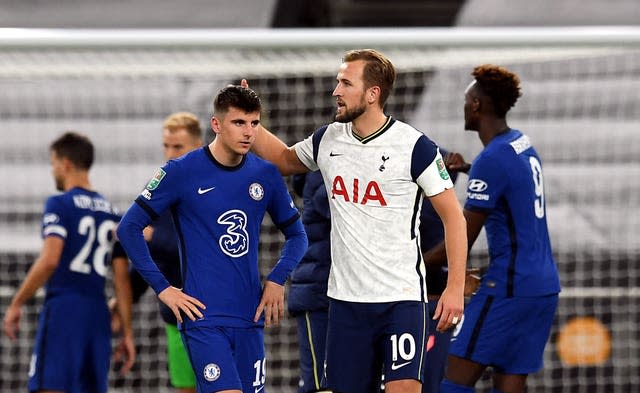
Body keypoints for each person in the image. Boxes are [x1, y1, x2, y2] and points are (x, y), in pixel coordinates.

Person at [249, 48, 468, 393]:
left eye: (345, 83)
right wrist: (253, 122)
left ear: (372, 93)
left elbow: (454, 217)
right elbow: (284, 159)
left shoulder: (414, 146)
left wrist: (454, 288)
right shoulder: (327, 139)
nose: (336, 91)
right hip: (345, 304)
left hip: (401, 299)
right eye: (338, 82)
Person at [116, 85, 308, 393]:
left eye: (254, 123)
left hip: (249, 318)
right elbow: (128, 228)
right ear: (216, 124)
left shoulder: (266, 175)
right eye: (239, 123)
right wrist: (164, 289)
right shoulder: (180, 171)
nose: (248, 132)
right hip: (203, 319)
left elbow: (298, 235)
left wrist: (276, 279)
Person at [424, 64, 561, 393]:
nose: (464, 105)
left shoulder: (493, 159)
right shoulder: (521, 144)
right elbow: (509, 182)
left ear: (476, 106)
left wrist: (413, 263)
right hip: (543, 288)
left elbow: (461, 238)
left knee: (454, 378)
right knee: (510, 380)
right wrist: (470, 169)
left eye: (467, 99)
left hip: (508, 288)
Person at [2, 131, 135, 393]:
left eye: (53, 164)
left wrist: (16, 303)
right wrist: (128, 333)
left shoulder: (60, 204)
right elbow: (122, 279)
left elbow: (50, 259)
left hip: (65, 308)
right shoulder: (112, 213)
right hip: (98, 315)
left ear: (65, 163)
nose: (53, 171)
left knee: (49, 386)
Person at [111, 112, 203, 393]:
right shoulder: (157, 191)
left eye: (178, 147)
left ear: (198, 146)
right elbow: (144, 254)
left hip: (217, 318)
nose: (170, 153)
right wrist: (126, 298)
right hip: (175, 318)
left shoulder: (213, 188)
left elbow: (203, 249)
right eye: (166, 146)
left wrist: (155, 237)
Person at [287, 171, 331, 393]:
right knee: (319, 383)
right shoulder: (322, 170)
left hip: (342, 295)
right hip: (316, 293)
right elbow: (336, 202)